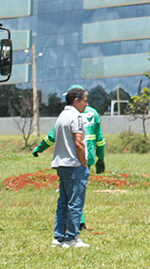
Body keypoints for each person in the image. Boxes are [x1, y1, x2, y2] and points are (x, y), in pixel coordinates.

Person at [33, 83, 105, 231]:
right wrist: (101, 158)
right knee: (76, 192)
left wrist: (39, 148)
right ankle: (74, 228)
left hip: (73, 158)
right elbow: (100, 139)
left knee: (69, 195)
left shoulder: (67, 115)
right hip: (88, 155)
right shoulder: (93, 113)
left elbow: (52, 137)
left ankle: (74, 228)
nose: (86, 103)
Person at [49, 87, 90, 248]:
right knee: (75, 202)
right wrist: (84, 163)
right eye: (84, 100)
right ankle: (72, 237)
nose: (86, 104)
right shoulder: (76, 117)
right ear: (76, 101)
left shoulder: (61, 116)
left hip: (61, 164)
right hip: (74, 164)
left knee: (63, 202)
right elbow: (78, 142)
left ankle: (59, 237)